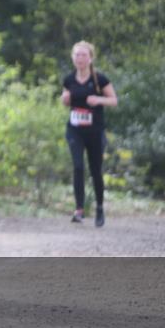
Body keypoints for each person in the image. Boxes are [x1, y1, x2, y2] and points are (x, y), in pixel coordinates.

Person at [60, 41, 117, 227]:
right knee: (78, 166)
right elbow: (66, 101)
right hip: (75, 130)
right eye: (77, 55)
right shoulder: (69, 79)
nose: (80, 58)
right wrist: (64, 99)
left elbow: (114, 100)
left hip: (95, 131)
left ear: (90, 58)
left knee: (95, 170)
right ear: (72, 58)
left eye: (84, 55)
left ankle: (99, 207)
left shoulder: (100, 79)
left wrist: (98, 99)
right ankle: (79, 209)